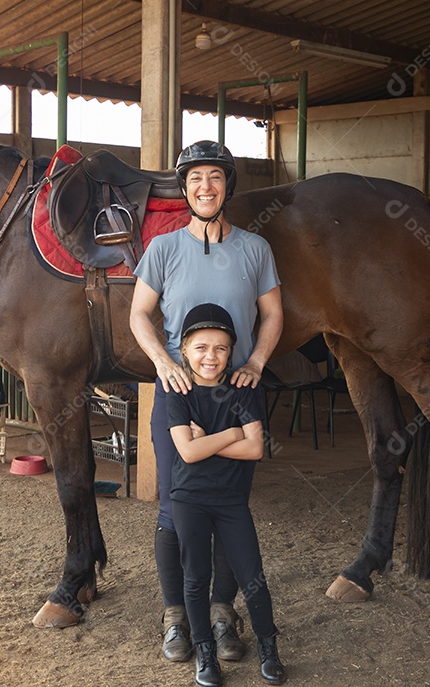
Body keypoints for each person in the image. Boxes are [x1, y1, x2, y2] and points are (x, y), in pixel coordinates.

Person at [130, 140, 283, 664]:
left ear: (227, 186)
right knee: (177, 509)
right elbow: (138, 316)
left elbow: (273, 315)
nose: (205, 187)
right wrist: (163, 363)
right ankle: (177, 617)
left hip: (235, 393)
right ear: (185, 188)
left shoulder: (255, 249)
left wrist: (257, 363)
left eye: (214, 177)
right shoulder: (163, 249)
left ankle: (222, 612)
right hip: (180, 395)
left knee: (227, 506)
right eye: (195, 179)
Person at [167, 303, 286, 686]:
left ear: (230, 352)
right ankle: (205, 652)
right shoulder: (178, 392)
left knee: (252, 573)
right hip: (190, 498)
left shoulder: (243, 388)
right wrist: (234, 434)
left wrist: (217, 439)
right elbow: (187, 451)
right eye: (201, 347)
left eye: (220, 348)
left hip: (231, 500)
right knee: (196, 577)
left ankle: (269, 646)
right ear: (185, 350)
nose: (211, 357)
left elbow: (255, 449)